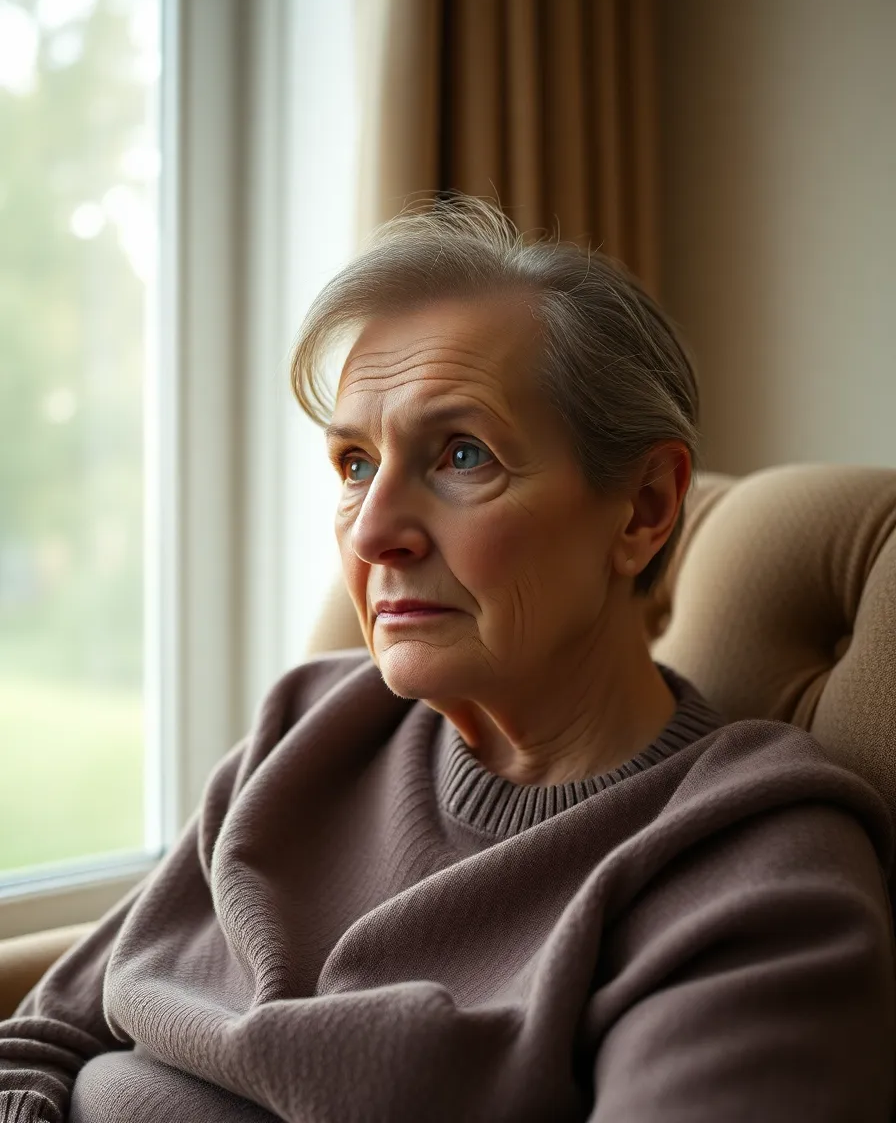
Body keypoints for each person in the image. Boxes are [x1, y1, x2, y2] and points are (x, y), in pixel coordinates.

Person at [1, 196, 893, 1123]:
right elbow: (42, 1040)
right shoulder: (308, 722)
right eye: (353, 464)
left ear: (642, 511)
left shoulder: (749, 866)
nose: (375, 531)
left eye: (462, 454)